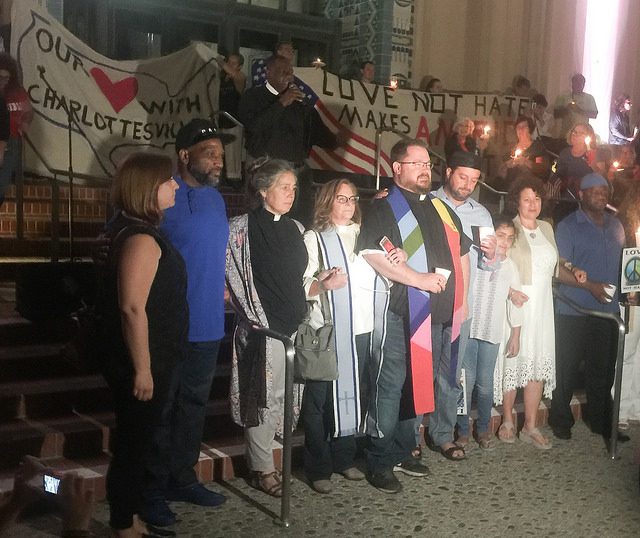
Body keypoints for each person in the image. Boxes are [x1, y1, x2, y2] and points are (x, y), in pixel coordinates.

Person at [357, 138, 469, 493]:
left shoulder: (440, 207)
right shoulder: (383, 208)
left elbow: (461, 252)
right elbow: (373, 253)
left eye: (427, 163)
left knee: (415, 385)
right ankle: (377, 458)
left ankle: (403, 449)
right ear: (397, 168)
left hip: (436, 314)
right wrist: (418, 278)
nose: (425, 169)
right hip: (400, 313)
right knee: (390, 387)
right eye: (417, 163)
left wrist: (462, 302)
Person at [141, 119, 231, 527]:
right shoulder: (160, 197)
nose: (218, 160)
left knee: (192, 407)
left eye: (221, 154)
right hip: (168, 326)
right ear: (184, 156)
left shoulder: (216, 200)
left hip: (209, 323)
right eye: (210, 153)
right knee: (160, 411)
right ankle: (151, 490)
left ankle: (182, 478)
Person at [100, 152, 186, 537]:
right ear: (149, 188)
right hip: (143, 360)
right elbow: (132, 307)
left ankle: (130, 517)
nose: (176, 185)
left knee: (137, 440)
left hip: (154, 356)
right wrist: (144, 368)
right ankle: (123, 525)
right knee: (134, 444)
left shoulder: (136, 230)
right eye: (169, 180)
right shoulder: (139, 238)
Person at [302, 179, 391, 494]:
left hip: (362, 329)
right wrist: (322, 285)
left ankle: (343, 458)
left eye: (353, 198)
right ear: (327, 200)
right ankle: (318, 466)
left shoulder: (364, 234)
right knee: (320, 401)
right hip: (328, 331)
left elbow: (386, 270)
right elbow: (301, 284)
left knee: (356, 395)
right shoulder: (314, 238)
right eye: (342, 198)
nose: (349, 204)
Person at [226, 158, 307, 498]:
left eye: (293, 188)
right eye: (283, 187)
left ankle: (276, 459)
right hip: (262, 328)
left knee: (285, 396)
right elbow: (229, 273)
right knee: (261, 397)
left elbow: (300, 279)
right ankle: (263, 468)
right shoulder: (239, 230)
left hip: (293, 326)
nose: (291, 194)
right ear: (262, 191)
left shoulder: (296, 229)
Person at [550, 173, 626, 443]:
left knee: (603, 370)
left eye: (604, 190)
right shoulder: (568, 226)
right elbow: (558, 269)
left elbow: (624, 265)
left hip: (607, 311)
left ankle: (600, 419)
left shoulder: (617, 225)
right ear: (581, 195)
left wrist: (630, 288)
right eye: (594, 191)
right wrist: (590, 286)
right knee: (567, 368)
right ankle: (560, 419)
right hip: (574, 309)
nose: (601, 195)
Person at [432, 151, 498, 451]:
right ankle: (409, 439)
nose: (467, 184)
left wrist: (492, 256)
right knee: (420, 371)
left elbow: (486, 265)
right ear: (447, 172)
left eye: (473, 180)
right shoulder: (428, 203)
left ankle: (443, 434)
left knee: (451, 376)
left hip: (462, 306)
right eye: (462, 176)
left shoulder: (481, 214)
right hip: (427, 302)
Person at [494, 176, 560, 449]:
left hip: (543, 306)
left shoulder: (546, 227)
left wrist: (572, 269)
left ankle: (530, 425)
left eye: (537, 198)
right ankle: (508, 419)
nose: (533, 204)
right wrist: (510, 293)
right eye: (527, 199)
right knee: (514, 358)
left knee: (537, 362)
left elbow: (552, 260)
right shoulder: (512, 229)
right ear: (516, 203)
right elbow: (498, 264)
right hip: (519, 303)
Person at [238, 54, 341, 225]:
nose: (288, 76)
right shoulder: (253, 97)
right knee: (263, 223)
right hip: (266, 172)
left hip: (297, 174)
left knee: (299, 223)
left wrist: (338, 141)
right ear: (268, 73)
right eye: (283, 72)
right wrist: (281, 103)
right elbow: (254, 128)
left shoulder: (301, 104)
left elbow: (319, 135)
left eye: (290, 72)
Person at [464, 214, 523, 450]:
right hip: (470, 329)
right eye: (501, 236)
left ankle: (483, 429)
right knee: (465, 382)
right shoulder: (476, 258)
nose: (505, 242)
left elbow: (516, 302)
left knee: (485, 383)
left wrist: (516, 335)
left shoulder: (511, 267)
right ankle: (461, 430)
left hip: (492, 332)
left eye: (510, 238)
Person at [550, 122, 606, 223]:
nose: (575, 135)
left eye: (581, 133)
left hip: (586, 198)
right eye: (574, 132)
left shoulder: (595, 153)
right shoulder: (565, 153)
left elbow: (602, 177)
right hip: (565, 195)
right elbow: (558, 173)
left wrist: (592, 163)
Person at [0, 52, 32, 207]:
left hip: (13, 141)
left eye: (7, 78)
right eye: (1, 77)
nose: (4, 81)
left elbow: (28, 112)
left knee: (2, 182)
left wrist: (26, 122)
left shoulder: (18, 92)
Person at [496, 115, 550, 191]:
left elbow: (541, 168)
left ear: (530, 130)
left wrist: (525, 162)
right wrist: (506, 166)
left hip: (530, 188)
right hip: (512, 189)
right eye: (518, 127)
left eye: (524, 127)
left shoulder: (537, 149)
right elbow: (501, 174)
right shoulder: (510, 149)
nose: (520, 130)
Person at [216, 52, 247, 181]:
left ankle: (234, 179)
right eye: (228, 62)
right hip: (220, 120)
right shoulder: (220, 78)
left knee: (232, 153)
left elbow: (233, 74)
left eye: (233, 63)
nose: (229, 65)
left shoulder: (240, 77)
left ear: (239, 66)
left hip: (234, 120)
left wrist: (216, 57)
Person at [553, 73, 598, 139]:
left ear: (584, 84)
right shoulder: (563, 97)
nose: (579, 85)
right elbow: (555, 115)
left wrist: (579, 110)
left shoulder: (589, 98)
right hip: (566, 134)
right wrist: (566, 110)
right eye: (576, 82)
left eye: (581, 83)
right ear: (572, 83)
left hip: (582, 135)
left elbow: (594, 115)